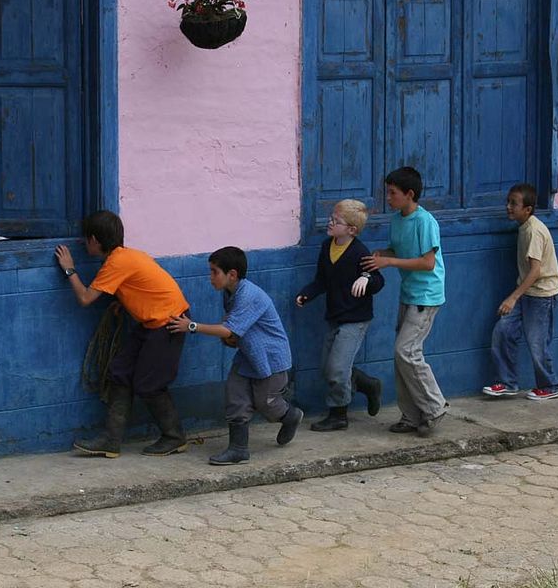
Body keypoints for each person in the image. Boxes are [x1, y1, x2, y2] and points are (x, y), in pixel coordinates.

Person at [55, 210, 191, 458]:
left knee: (149, 385)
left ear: (95, 240)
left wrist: (69, 270)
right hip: (153, 321)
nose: (86, 244)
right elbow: (137, 285)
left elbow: (85, 298)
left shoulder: (116, 263)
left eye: (87, 239)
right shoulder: (125, 256)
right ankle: (111, 439)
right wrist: (124, 300)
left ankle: (174, 436)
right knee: (120, 371)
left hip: (168, 322)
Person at [168, 246, 303, 465]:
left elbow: (229, 329)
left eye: (214, 272)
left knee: (267, 404)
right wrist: (230, 338)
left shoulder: (249, 295)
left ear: (232, 274)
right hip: (248, 356)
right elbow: (232, 329)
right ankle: (238, 449)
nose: (210, 277)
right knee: (235, 398)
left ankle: (291, 416)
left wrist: (191, 326)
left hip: (270, 359)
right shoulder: (230, 293)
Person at [361, 166, 449, 437]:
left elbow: (427, 262)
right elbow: (397, 251)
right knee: (401, 356)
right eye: (387, 192)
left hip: (426, 295)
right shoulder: (398, 220)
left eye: (393, 193)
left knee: (406, 351)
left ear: (410, 194)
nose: (388, 198)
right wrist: (380, 255)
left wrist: (388, 261)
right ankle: (411, 416)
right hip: (408, 294)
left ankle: (434, 407)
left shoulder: (426, 222)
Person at [295, 199, 385, 431]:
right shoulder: (327, 247)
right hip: (334, 316)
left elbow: (378, 280)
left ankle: (339, 414)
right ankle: (367, 384)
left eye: (336, 221)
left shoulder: (359, 252)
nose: (330, 222)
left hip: (355, 320)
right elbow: (321, 280)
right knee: (329, 368)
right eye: (331, 218)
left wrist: (366, 278)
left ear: (351, 230)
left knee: (337, 369)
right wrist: (307, 294)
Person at [482, 183, 558, 400]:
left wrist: (513, 297)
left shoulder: (534, 231)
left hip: (541, 296)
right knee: (503, 331)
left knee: (537, 342)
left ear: (527, 209)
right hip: (527, 293)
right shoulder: (524, 227)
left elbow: (536, 271)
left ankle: (550, 386)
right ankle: (508, 382)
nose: (508, 207)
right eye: (508, 202)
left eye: (514, 204)